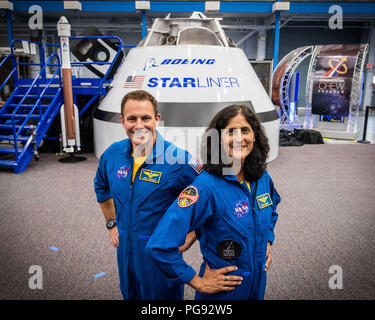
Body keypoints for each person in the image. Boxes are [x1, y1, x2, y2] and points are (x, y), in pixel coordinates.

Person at [146, 104, 281, 300]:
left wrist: (266, 241)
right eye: (230, 132)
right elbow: (159, 244)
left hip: (257, 284)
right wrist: (196, 281)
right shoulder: (205, 187)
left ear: (255, 136)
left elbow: (271, 210)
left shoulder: (262, 179)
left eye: (245, 130)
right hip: (223, 292)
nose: (239, 138)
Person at [94, 90, 200, 300]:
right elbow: (101, 188)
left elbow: (209, 196)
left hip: (160, 255)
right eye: (132, 118)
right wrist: (111, 223)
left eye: (146, 118)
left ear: (157, 120)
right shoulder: (112, 155)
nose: (139, 125)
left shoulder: (178, 159)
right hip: (125, 251)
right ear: (123, 121)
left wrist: (192, 234)